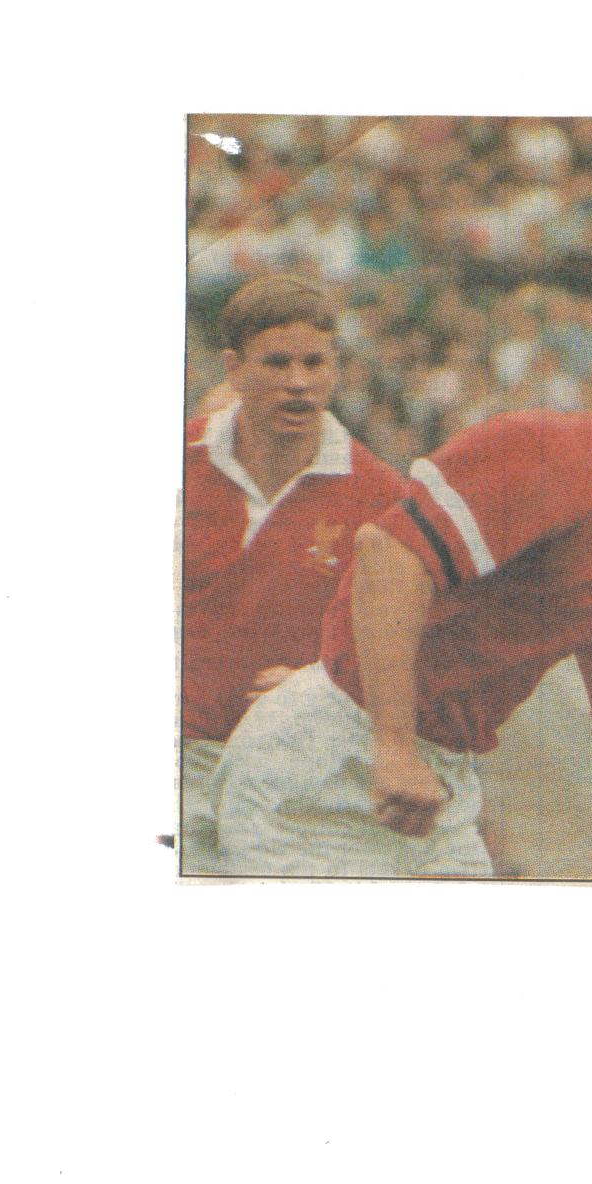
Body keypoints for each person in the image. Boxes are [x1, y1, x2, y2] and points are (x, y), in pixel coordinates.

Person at [215, 263, 592, 878]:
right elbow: (389, 555)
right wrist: (394, 745)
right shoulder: (551, 450)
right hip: (329, 765)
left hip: (434, 785)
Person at [182, 275, 405, 872]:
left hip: (295, 776)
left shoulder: (380, 495)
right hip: (179, 762)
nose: (299, 382)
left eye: (315, 363)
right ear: (234, 368)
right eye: (277, 363)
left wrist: (318, 684)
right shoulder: (180, 463)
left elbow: (407, 647)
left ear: (337, 370)